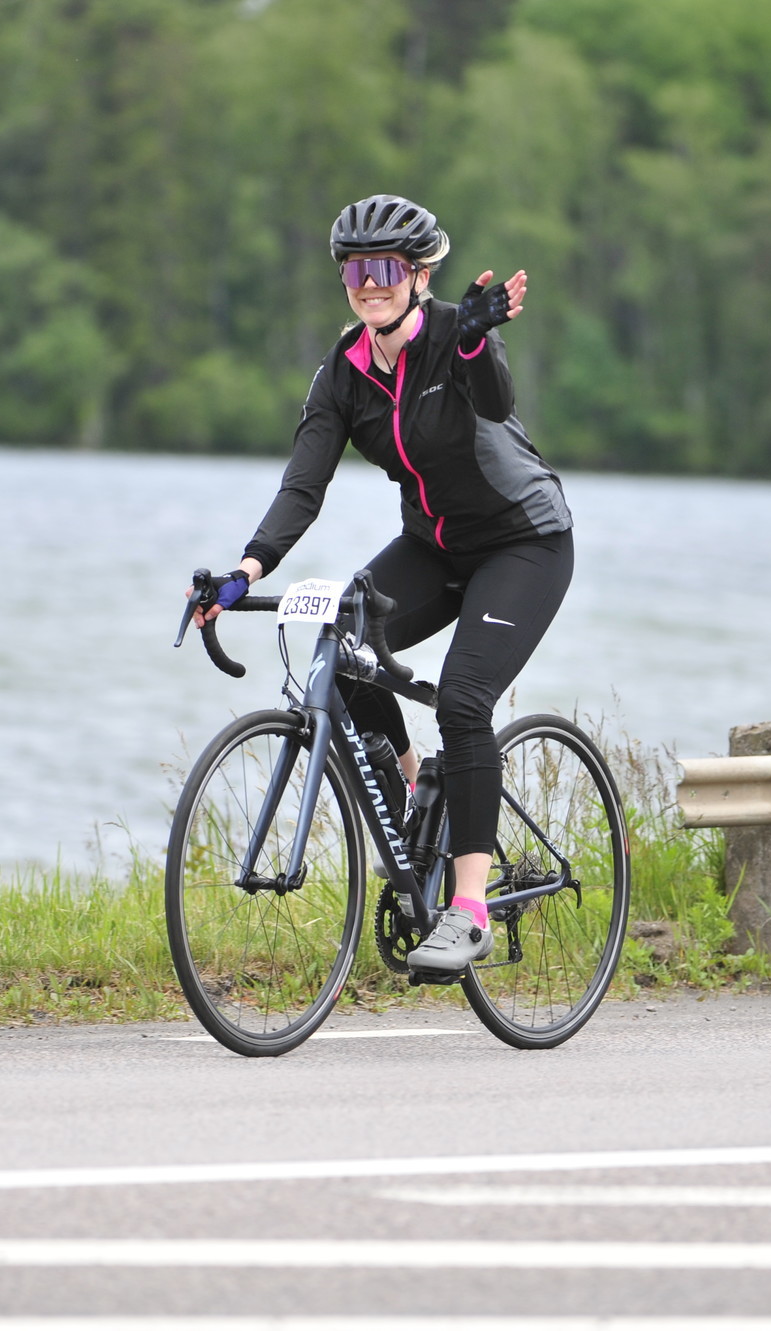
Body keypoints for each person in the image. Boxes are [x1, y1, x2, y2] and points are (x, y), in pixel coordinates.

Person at [198, 193, 574, 976]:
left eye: (385, 269)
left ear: (419, 275)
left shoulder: (455, 336)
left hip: (523, 544)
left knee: (464, 701)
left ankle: (469, 909)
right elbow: (303, 486)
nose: (369, 285)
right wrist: (245, 570)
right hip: (434, 545)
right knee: (342, 640)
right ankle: (412, 798)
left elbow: (497, 401)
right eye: (354, 272)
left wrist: (475, 341)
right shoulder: (343, 373)